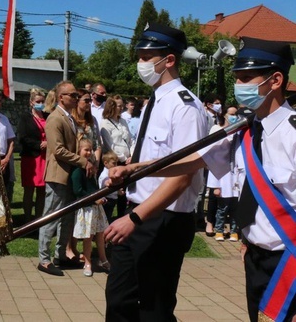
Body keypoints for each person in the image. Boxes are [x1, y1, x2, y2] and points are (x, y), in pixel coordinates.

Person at [110, 37, 296, 322]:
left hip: (289, 262)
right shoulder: (245, 131)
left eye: (246, 78)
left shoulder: (293, 134)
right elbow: (192, 161)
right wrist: (136, 169)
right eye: (237, 78)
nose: (239, 86)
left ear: (276, 80)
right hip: (256, 257)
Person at [103, 22, 207, 321]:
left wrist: (137, 218)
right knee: (119, 301)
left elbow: (183, 174)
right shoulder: (155, 102)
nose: (140, 63)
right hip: (137, 210)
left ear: (169, 60)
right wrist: (127, 172)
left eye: (146, 57)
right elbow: (153, 159)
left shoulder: (185, 106)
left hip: (163, 219)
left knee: (154, 309)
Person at [36, 80, 96, 277]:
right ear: (61, 97)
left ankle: (60, 255)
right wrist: (82, 161)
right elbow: (58, 150)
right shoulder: (55, 119)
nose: (76, 98)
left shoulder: (69, 118)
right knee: (51, 217)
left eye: (77, 96)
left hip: (70, 176)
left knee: (67, 217)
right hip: (58, 175)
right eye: (72, 95)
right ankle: (44, 260)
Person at [72, 138, 110, 277]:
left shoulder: (92, 169)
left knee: (100, 234)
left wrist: (100, 197)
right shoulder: (77, 171)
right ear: (79, 151)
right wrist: (94, 199)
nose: (89, 152)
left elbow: (94, 188)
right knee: (88, 236)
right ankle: (87, 262)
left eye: (90, 150)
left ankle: (103, 259)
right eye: (85, 150)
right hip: (86, 209)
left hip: (96, 208)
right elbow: (78, 191)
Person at [17, 88, 48, 222]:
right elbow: (22, 137)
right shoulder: (25, 118)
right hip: (31, 158)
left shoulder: (48, 116)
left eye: (42, 101)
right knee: (29, 190)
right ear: (31, 102)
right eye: (38, 101)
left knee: (42, 190)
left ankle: (39, 219)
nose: (40, 103)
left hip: (45, 157)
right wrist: (38, 145)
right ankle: (28, 220)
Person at [0, 89, 16, 203]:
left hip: (3, 160)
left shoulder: (4, 118)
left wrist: (7, 158)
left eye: (0, 101)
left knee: (4, 191)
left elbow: (11, 140)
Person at [99, 151, 123, 222]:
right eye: (113, 163)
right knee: (106, 219)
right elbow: (104, 187)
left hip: (112, 199)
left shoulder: (111, 172)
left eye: (116, 163)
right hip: (107, 200)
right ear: (106, 163)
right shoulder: (104, 175)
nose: (116, 165)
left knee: (109, 217)